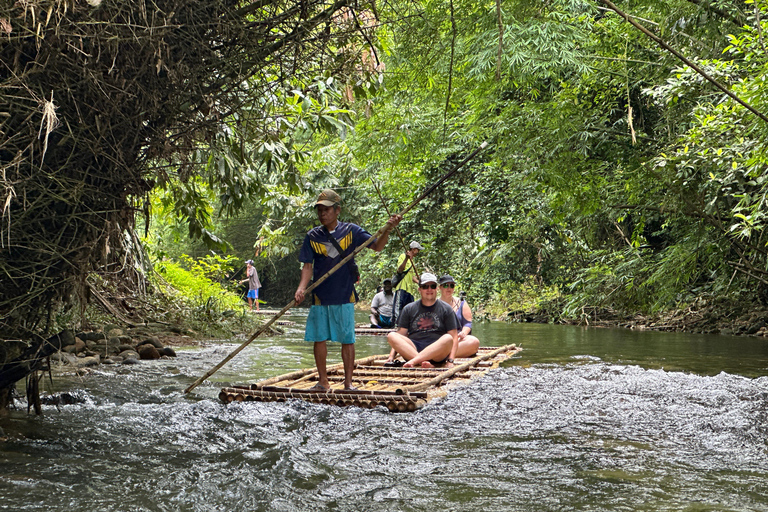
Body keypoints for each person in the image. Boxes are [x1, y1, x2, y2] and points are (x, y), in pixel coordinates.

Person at [295, 188, 401, 391]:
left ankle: (348, 383)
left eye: (326, 209)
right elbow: (307, 267)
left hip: (344, 294)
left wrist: (387, 229)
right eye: (319, 210)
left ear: (337, 210)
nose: (322, 213)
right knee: (319, 338)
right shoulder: (312, 236)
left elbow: (377, 246)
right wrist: (301, 288)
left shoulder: (351, 231)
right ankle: (323, 382)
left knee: (347, 338)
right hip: (320, 296)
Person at [386, 272, 459, 368]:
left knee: (448, 338)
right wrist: (391, 356)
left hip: (437, 353)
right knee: (392, 335)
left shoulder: (446, 309)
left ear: (436, 288)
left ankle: (416, 361)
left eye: (432, 286)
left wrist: (450, 361)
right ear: (419, 289)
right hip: (413, 349)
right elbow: (401, 334)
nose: (429, 290)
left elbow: (454, 337)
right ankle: (422, 362)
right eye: (425, 287)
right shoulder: (409, 308)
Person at [438, 274, 480, 357]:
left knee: (474, 341)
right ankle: (439, 353)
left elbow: (467, 323)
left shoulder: (461, 303)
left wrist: (463, 333)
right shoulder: (434, 304)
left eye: (451, 286)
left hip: (458, 340)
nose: (449, 288)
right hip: (440, 341)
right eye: (446, 285)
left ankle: (442, 355)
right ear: (440, 287)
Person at [392, 240, 423, 323]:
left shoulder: (412, 261)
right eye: (418, 250)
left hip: (410, 290)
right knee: (399, 308)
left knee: (410, 309)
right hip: (402, 287)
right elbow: (400, 270)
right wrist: (406, 258)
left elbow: (411, 276)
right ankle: (397, 325)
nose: (418, 252)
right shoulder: (403, 256)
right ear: (413, 249)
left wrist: (419, 282)